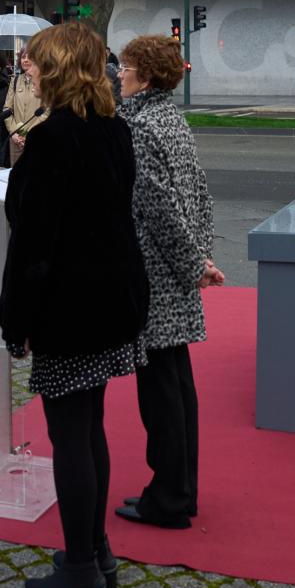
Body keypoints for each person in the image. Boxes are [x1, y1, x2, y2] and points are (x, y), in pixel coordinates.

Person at [0, 23, 149, 588]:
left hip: (71, 308)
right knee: (89, 429)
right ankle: (97, 550)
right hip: (111, 302)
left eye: (35, 64)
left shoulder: (56, 137)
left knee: (72, 439)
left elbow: (33, 245)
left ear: (57, 67)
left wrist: (16, 322)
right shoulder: (112, 128)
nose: (27, 71)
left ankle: (83, 568)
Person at [114, 34, 225, 529]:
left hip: (156, 272)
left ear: (147, 75)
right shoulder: (170, 119)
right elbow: (198, 192)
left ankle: (169, 498)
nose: (120, 73)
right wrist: (200, 258)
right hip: (175, 270)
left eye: (126, 67)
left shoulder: (138, 125)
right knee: (176, 385)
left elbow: (157, 205)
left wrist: (191, 264)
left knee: (161, 393)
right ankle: (181, 489)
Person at [4, 47, 45, 166]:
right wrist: (14, 133)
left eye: (29, 57)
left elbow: (48, 111)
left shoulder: (44, 81)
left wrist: (31, 133)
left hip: (37, 137)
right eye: (23, 57)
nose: (25, 60)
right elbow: (7, 109)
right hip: (17, 140)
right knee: (16, 177)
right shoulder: (15, 80)